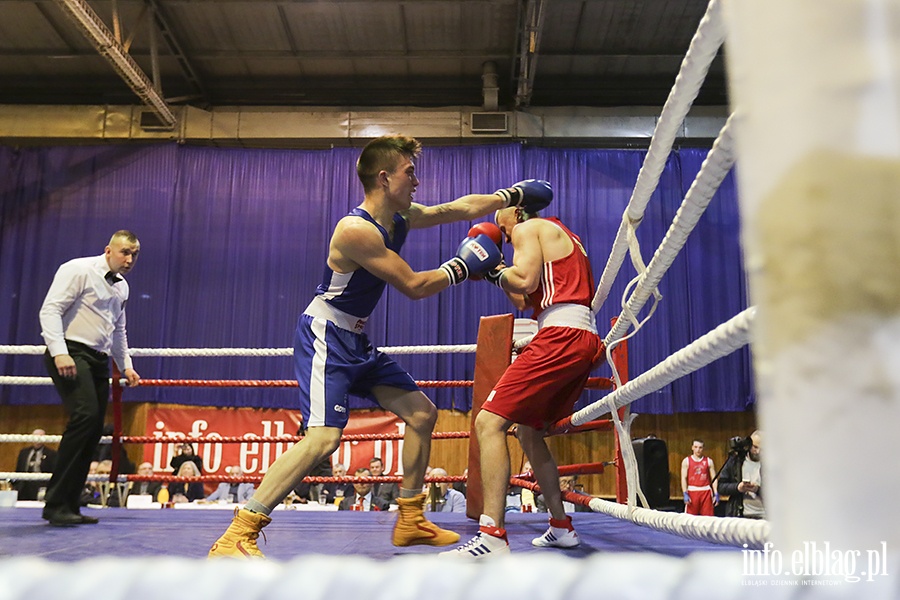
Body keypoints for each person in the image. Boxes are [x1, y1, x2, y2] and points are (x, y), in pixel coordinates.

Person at [209, 134, 551, 558]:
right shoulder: (356, 230)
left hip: (355, 339)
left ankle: (409, 518)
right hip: (326, 335)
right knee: (322, 438)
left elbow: (454, 209)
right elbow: (413, 286)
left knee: (423, 413)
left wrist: (508, 194)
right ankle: (238, 533)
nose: (418, 181)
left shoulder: (401, 218)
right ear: (385, 177)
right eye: (410, 173)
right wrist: (465, 267)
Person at [443, 196, 604, 558]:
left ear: (516, 210)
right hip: (577, 337)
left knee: (487, 422)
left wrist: (489, 265)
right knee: (529, 433)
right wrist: (491, 270)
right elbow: (522, 296)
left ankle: (492, 536)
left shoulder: (529, 227)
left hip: (559, 336)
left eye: (502, 228)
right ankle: (561, 525)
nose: (503, 235)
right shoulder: (559, 234)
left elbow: (525, 278)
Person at [38, 230, 141, 526]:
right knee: (85, 416)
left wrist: (126, 365)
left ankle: (69, 502)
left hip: (98, 359)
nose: (129, 259)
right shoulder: (77, 269)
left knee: (93, 427)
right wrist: (59, 351)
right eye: (125, 252)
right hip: (71, 351)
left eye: (134, 254)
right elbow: (51, 310)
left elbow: (118, 330)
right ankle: (55, 502)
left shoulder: (122, 287)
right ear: (109, 250)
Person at [718, 430, 764, 519]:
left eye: (762, 449)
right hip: (740, 515)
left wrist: (757, 489)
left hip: (764, 515)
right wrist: (737, 487)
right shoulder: (736, 462)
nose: (758, 451)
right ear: (749, 445)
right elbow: (721, 487)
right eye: (755, 447)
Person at [14, 428, 57, 501]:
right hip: (24, 486)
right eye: (35, 437)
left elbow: (53, 471)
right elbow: (18, 469)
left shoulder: (51, 454)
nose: (37, 440)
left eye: (40, 437)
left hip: (40, 487)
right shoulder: (24, 452)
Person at [681, 438, 718, 516]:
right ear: (692, 448)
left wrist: (716, 493)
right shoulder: (686, 461)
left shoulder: (709, 461)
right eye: (696, 447)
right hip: (692, 491)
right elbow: (683, 478)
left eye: (700, 447)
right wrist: (685, 493)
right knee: (689, 519)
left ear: (703, 449)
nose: (698, 449)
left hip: (706, 491)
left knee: (708, 519)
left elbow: (714, 478)